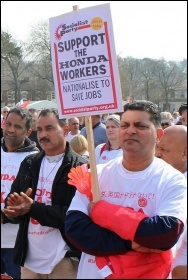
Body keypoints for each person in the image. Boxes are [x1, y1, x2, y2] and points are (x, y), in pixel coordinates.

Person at [65, 100, 187, 279]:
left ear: (159, 134)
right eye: (125, 125)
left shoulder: (172, 179)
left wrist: (103, 212)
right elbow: (75, 230)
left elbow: (164, 233)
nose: (130, 130)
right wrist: (129, 243)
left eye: (140, 125)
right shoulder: (96, 175)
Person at [2, 108, 88, 279]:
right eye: (39, 129)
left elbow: (74, 216)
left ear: (65, 130)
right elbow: (13, 205)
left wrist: (32, 208)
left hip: (63, 260)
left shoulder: (80, 166)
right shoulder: (29, 163)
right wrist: (13, 209)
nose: (42, 134)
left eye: (49, 128)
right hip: (29, 259)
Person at [1, 107, 39, 279]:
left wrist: (5, 216)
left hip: (15, 243)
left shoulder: (34, 159)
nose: (10, 129)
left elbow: (31, 200)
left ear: (28, 131)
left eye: (17, 127)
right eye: (8, 123)